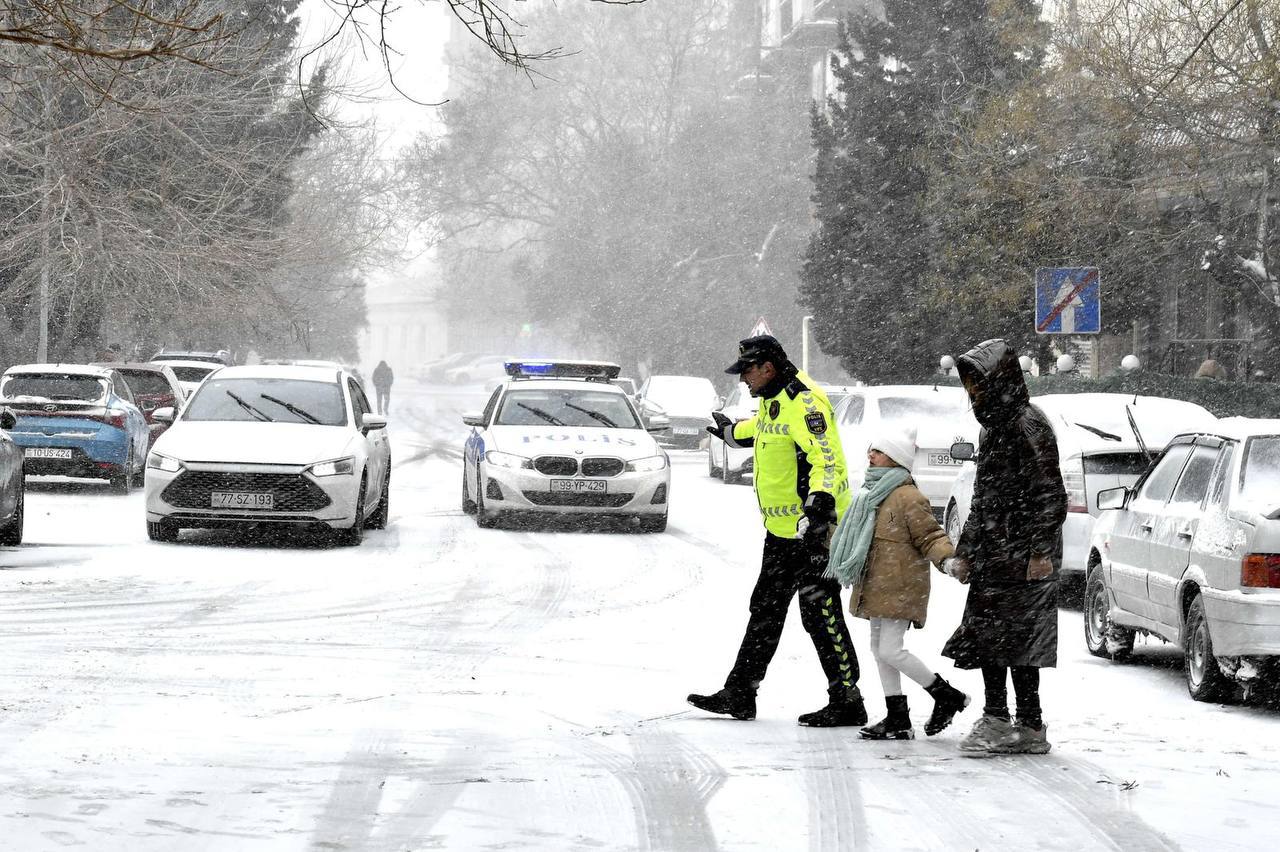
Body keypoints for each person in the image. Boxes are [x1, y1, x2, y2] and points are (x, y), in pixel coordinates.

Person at [687, 335, 867, 727]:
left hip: (813, 531)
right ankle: (740, 692)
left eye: (746, 372)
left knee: (819, 611)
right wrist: (733, 433)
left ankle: (848, 698)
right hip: (782, 532)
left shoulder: (805, 402)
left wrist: (818, 509)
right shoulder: (774, 400)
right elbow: (767, 430)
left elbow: (828, 458)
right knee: (765, 610)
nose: (743, 381)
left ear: (767, 367)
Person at [943, 339, 1067, 755]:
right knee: (988, 636)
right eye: (968, 384)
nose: (972, 392)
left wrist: (1039, 552)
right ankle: (1000, 716)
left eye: (977, 382)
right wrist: (967, 550)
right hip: (996, 551)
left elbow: (1050, 494)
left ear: (999, 380)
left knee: (1020, 641)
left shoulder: (1027, 425)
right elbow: (982, 498)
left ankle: (1025, 724)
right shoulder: (993, 426)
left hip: (1023, 552)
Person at [825, 426, 971, 740]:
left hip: (901, 585)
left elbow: (931, 535)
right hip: (877, 584)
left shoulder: (908, 496)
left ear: (895, 459)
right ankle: (897, 717)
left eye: (878, 451)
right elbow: (853, 536)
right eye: (871, 450)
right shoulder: (869, 495)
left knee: (890, 650)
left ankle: (945, 695)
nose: (870, 456)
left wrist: (947, 560)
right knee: (880, 650)